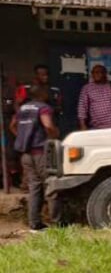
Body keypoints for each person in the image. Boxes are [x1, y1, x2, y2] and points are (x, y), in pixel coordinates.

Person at [9, 85, 59, 231]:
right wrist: (54, 134)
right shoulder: (43, 107)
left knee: (34, 187)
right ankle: (57, 222)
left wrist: (22, 137)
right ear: (42, 94)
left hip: (26, 154)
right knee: (51, 185)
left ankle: (35, 224)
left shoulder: (22, 109)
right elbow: (48, 125)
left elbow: (12, 125)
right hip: (40, 153)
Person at [77, 64, 111, 130]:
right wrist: (82, 125)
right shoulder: (87, 88)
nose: (95, 74)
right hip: (98, 127)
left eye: (98, 72)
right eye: (93, 72)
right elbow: (82, 107)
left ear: (105, 73)